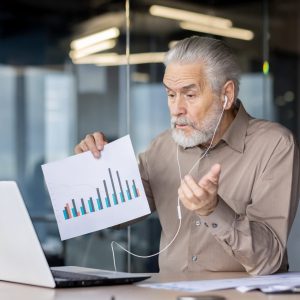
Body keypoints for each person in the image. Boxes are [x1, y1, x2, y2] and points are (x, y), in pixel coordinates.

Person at [75, 36, 300, 275]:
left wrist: (213, 210)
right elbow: (111, 216)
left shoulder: (275, 145)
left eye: (189, 95)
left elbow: (269, 259)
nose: (176, 109)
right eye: (171, 95)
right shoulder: (161, 147)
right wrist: (93, 167)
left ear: (227, 95)